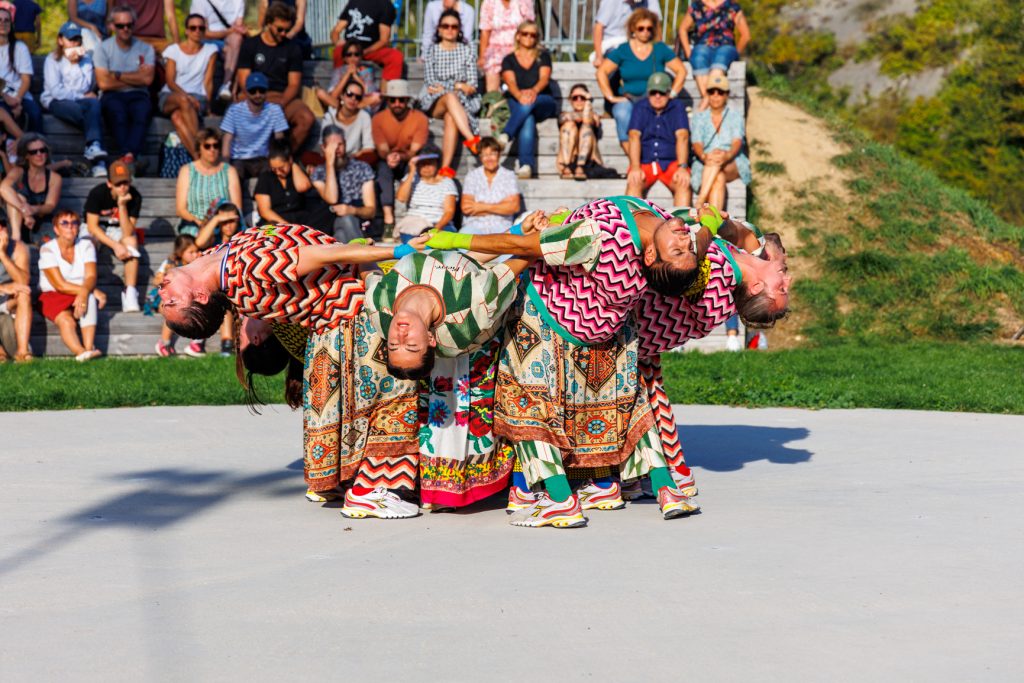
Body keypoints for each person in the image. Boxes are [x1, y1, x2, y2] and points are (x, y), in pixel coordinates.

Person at [426, 199, 704, 525]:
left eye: (679, 250)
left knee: (522, 402)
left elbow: (524, 246)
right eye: (688, 249)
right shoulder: (664, 227)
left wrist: (454, 240)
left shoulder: (602, 238)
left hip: (553, 320)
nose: (686, 241)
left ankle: (559, 498)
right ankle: (668, 490)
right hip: (611, 329)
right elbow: (699, 235)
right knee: (632, 411)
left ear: (651, 256)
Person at [596, 8, 685, 154]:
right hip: (630, 98)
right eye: (641, 28)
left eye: (649, 28)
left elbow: (681, 71)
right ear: (633, 29)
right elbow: (602, 72)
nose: (645, 32)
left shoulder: (660, 49)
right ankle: (635, 161)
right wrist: (610, 97)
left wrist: (672, 94)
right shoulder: (623, 50)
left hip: (655, 98)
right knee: (622, 113)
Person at [237, 2, 314, 152]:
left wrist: (280, 104)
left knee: (306, 118)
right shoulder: (250, 45)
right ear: (268, 23)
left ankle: (283, 155)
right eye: (280, 29)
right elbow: (243, 80)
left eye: (287, 30)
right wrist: (259, 101)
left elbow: (293, 84)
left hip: (282, 97)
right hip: (255, 95)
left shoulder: (292, 48)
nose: (284, 34)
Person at [37, 208, 105, 361]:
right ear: (56, 229)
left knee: (90, 297)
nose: (70, 226)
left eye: (74, 223)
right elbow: (59, 284)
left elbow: (91, 275)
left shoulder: (86, 245)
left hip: (76, 291)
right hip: (52, 294)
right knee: (66, 320)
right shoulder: (47, 249)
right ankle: (81, 352)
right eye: (65, 223)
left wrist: (85, 292)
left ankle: (89, 348)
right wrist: (85, 291)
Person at [419, 9, 480, 178]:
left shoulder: (467, 50)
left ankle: (445, 168)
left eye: (454, 26)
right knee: (450, 96)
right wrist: (458, 85)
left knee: (451, 117)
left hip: (461, 103)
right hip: (435, 102)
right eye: (445, 26)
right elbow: (431, 84)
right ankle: (471, 138)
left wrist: (449, 86)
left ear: (459, 29)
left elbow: (472, 84)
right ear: (439, 29)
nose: (450, 29)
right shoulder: (432, 51)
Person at [42, 21, 108, 178]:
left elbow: (85, 86)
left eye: (76, 39)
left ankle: (94, 150)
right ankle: (98, 163)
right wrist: (79, 94)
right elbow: (56, 92)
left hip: (82, 102)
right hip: (55, 101)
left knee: (93, 104)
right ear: (60, 40)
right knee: (91, 114)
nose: (73, 43)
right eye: (69, 39)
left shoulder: (86, 60)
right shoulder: (52, 59)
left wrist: (76, 64)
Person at [94, 6, 155, 169]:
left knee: (141, 113)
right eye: (120, 25)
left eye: (129, 25)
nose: (125, 29)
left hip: (139, 95)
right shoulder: (102, 48)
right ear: (113, 26)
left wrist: (117, 74)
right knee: (117, 114)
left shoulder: (146, 49)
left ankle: (126, 156)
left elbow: (148, 80)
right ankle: (132, 156)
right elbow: (103, 83)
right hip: (111, 95)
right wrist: (136, 76)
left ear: (134, 25)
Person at [83, 159, 142, 312]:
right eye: (118, 184)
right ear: (109, 183)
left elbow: (128, 231)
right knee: (87, 244)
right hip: (97, 228)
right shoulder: (97, 193)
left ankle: (129, 292)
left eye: (125, 183)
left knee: (131, 241)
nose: (123, 187)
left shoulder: (135, 197)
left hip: (118, 229)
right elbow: (92, 226)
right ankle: (87, 289)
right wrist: (116, 245)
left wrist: (122, 206)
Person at [497, 20, 554, 179]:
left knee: (529, 104)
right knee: (527, 117)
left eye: (533, 35)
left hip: (543, 99)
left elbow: (544, 79)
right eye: (525, 33)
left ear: (537, 38)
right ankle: (526, 166)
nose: (529, 37)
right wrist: (520, 96)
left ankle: (506, 134)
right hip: (518, 99)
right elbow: (510, 82)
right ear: (518, 36)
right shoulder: (508, 59)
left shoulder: (543, 56)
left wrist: (533, 91)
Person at [626, 72, 691, 207]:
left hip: (671, 162)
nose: (657, 96)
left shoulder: (677, 107)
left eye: (661, 92)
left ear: (669, 93)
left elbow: (682, 136)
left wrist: (682, 166)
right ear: (648, 93)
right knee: (633, 184)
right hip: (645, 162)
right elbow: (634, 136)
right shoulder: (640, 107)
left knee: (683, 184)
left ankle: (681, 225)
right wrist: (636, 167)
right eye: (653, 92)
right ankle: (634, 226)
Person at [372, 79, 428, 235]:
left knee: (416, 166)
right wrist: (390, 156)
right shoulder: (378, 119)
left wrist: (399, 156)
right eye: (393, 100)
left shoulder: (419, 119)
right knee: (383, 169)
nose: (397, 103)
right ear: (387, 100)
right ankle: (388, 220)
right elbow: (382, 149)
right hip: (387, 161)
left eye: (401, 99)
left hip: (410, 159)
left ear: (408, 100)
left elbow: (414, 150)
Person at [160, 14, 219, 160]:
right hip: (171, 95)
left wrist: (209, 106)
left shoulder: (210, 50)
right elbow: (170, 81)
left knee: (177, 117)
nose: (197, 31)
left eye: (201, 28)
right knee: (184, 101)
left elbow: (208, 81)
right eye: (193, 28)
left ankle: (197, 157)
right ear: (186, 31)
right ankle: (203, 144)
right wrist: (187, 97)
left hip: (198, 96)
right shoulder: (174, 50)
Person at [690, 71, 750, 208]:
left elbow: (737, 141)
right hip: (706, 160)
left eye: (720, 92)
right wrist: (704, 156)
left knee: (717, 160)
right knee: (719, 177)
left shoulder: (735, 116)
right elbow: (697, 142)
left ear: (726, 95)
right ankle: (715, 226)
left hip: (732, 160)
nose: (716, 96)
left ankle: (700, 201)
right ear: (707, 94)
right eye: (712, 92)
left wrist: (727, 155)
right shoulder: (699, 118)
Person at [678, 0, 749, 110]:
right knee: (698, 57)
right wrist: (688, 53)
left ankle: (707, 103)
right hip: (703, 44)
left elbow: (745, 35)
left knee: (719, 62)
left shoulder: (732, 6)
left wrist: (735, 53)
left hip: (725, 45)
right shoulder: (697, 6)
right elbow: (683, 29)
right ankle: (707, 98)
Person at [310, 125, 376, 242]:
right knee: (342, 227)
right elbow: (332, 199)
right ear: (323, 148)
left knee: (344, 228)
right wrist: (330, 164)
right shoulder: (318, 173)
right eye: (332, 146)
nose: (337, 149)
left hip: (358, 223)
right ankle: (362, 256)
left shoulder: (362, 168)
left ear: (345, 144)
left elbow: (371, 210)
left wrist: (352, 210)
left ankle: (357, 256)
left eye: (340, 144)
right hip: (329, 224)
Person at [220, 71, 289, 182]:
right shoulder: (234, 110)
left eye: (261, 91)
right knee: (233, 178)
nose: (257, 95)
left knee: (272, 178)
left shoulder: (275, 110)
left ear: (266, 92)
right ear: (246, 92)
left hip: (263, 158)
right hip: (239, 158)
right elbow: (227, 141)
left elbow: (279, 140)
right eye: (253, 91)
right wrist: (225, 166)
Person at [175, 127, 243, 237]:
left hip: (223, 227)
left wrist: (218, 224)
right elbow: (180, 209)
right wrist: (201, 223)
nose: (212, 150)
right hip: (194, 225)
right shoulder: (187, 171)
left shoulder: (229, 171)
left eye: (215, 146)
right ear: (199, 149)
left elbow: (236, 207)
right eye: (207, 146)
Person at [253, 139, 335, 228]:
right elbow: (264, 211)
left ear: (290, 160)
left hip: (301, 219)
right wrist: (287, 226)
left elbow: (303, 187)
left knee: (327, 210)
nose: (278, 172)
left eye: (281, 168)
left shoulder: (295, 173)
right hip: (276, 222)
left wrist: (293, 165)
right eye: (274, 168)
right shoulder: (266, 178)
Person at [0, 134, 61, 244]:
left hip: (40, 222)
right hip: (16, 221)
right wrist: (25, 212)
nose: (39, 154)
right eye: (34, 152)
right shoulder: (19, 171)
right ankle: (16, 238)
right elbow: (4, 188)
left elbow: (50, 206)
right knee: (18, 197)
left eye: (42, 150)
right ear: (26, 156)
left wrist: (32, 209)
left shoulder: (54, 178)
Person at [394, 145, 457, 243]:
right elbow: (401, 198)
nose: (426, 167)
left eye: (430, 163)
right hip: (414, 224)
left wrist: (436, 229)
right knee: (412, 246)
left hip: (441, 225)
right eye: (423, 163)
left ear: (437, 164)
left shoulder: (447, 182)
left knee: (445, 246)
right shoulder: (412, 178)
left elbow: (449, 211)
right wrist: (411, 172)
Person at [329, 0, 402, 83]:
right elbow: (336, 31)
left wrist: (364, 52)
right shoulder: (353, 2)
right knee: (338, 51)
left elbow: (384, 40)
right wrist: (337, 42)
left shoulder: (386, 5)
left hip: (371, 50)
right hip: (350, 49)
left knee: (395, 56)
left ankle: (386, 92)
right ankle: (337, 88)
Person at [189, 0, 248, 103]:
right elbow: (203, 32)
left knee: (238, 40)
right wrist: (229, 31)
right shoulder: (200, 2)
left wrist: (238, 31)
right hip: (208, 39)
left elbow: (238, 26)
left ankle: (227, 86)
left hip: (228, 39)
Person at [153, 234, 201, 357]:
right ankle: (164, 343)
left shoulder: (197, 265)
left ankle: (197, 342)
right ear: (180, 252)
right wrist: (165, 278)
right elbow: (156, 280)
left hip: (187, 299)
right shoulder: (170, 263)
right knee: (172, 310)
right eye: (191, 252)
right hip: (165, 298)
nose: (196, 254)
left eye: (197, 251)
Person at [460, 136, 520, 235]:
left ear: (499, 155)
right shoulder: (472, 176)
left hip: (502, 227)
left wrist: (480, 206)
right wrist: (501, 206)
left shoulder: (509, 175)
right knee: (462, 244)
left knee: (507, 248)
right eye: (484, 155)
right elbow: (466, 207)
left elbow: (514, 207)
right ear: (480, 157)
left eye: (492, 154)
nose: (489, 159)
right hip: (474, 226)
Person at [0, 5, 41, 133]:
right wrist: (6, 97)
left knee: (35, 114)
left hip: (20, 95)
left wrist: (17, 101)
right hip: (1, 96)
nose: (3, 23)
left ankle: (37, 149)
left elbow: (26, 79)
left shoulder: (20, 47)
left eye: (7, 20)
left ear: (12, 24)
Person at [478, 0, 534, 93]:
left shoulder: (525, 2)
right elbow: (485, 31)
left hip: (519, 46)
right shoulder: (489, 2)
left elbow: (530, 27)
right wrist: (482, 56)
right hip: (495, 47)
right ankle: (493, 101)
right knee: (491, 64)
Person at [316, 41, 381, 114]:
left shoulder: (367, 71)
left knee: (377, 97)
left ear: (360, 57)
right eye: (349, 54)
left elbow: (368, 93)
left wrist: (356, 77)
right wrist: (347, 75)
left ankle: (347, 110)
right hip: (341, 103)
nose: (353, 57)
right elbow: (333, 95)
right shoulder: (339, 71)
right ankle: (346, 110)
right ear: (344, 58)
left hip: (359, 103)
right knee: (320, 93)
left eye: (356, 54)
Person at [591, 0, 662, 67]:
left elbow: (657, 25)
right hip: (613, 44)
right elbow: (598, 27)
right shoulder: (610, 1)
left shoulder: (650, 1)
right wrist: (599, 57)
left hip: (640, 43)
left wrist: (660, 51)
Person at [320, 78, 375, 163]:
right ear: (342, 95)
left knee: (371, 158)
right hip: (333, 157)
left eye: (358, 97)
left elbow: (369, 148)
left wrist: (351, 158)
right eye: (349, 94)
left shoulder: (364, 117)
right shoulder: (330, 116)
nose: (353, 99)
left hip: (355, 158)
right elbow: (323, 145)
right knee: (308, 157)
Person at [557, 83, 603, 180]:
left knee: (586, 128)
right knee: (568, 126)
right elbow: (562, 119)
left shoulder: (593, 115)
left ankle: (580, 166)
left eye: (582, 97)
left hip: (588, 162)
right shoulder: (564, 114)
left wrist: (588, 101)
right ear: (570, 100)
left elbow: (587, 121)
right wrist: (575, 117)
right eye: (575, 98)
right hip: (568, 159)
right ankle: (567, 164)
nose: (579, 100)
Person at [0, 221, 31, 361]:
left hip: (7, 298)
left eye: (1, 226)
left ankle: (22, 352)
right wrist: (2, 287)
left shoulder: (18, 247)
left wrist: (3, 255)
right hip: (3, 291)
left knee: (24, 294)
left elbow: (23, 282)